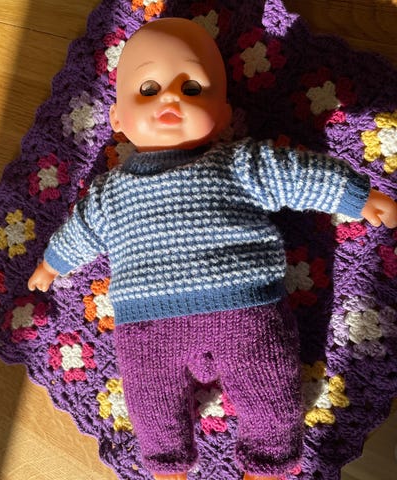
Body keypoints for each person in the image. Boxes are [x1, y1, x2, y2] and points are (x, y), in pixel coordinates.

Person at [28, 18, 397, 480]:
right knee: (150, 404)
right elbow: (80, 232)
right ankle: (167, 465)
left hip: (247, 315)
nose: (170, 98)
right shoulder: (109, 194)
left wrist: (356, 196)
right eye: (148, 88)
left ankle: (269, 461)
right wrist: (51, 264)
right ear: (117, 119)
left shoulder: (238, 165)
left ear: (222, 115)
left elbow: (297, 175)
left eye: (191, 88)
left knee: (271, 392)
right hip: (147, 330)